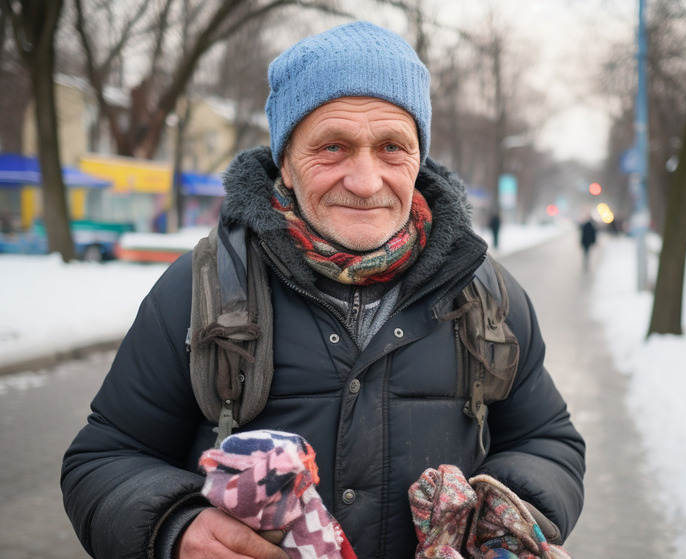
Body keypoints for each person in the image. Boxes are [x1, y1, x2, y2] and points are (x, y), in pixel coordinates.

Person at [61, 21, 585, 559]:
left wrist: (510, 514)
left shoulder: (487, 295)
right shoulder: (200, 291)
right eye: (333, 147)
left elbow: (547, 442)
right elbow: (104, 460)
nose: (365, 180)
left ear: (418, 159)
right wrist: (175, 529)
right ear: (286, 162)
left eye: (391, 147)